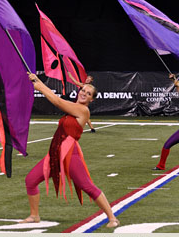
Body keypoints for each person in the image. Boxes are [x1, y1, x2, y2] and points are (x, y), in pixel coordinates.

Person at [21, 72, 119, 228]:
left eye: (88, 94)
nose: (84, 94)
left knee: (87, 186)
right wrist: (37, 79)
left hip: (69, 154)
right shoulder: (75, 106)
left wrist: (39, 86)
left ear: (91, 99)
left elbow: (58, 102)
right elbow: (60, 102)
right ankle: (34, 215)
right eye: (83, 90)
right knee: (30, 180)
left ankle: (112, 217)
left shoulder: (83, 111)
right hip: (55, 152)